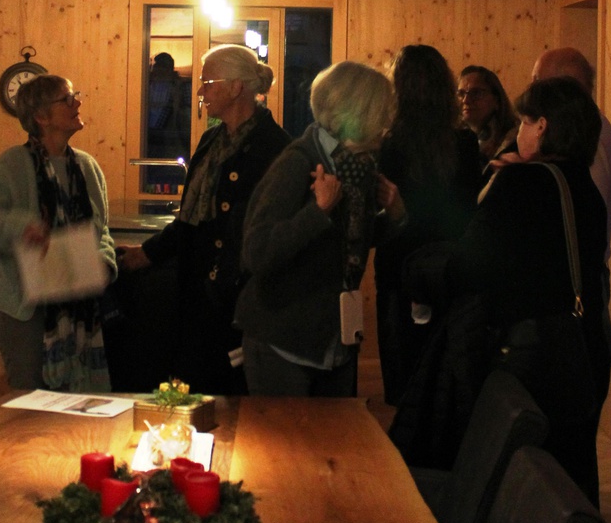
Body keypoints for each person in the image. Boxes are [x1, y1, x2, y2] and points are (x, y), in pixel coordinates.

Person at [444, 75, 608, 503]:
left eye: (524, 121)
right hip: (579, 348)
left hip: (528, 350)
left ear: (542, 126)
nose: (518, 131)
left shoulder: (520, 183)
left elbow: (468, 265)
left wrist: (496, 188)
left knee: (517, 474)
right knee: (568, 471)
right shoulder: (584, 186)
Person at [119, 45, 288, 394]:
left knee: (236, 396)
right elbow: (191, 220)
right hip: (200, 294)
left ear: (236, 87)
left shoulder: (275, 147)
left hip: (239, 300)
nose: (199, 90)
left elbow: (269, 236)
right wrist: (147, 253)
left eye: (208, 82)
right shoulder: (212, 140)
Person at [235, 60, 403, 397]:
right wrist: (319, 211)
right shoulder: (299, 162)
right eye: (381, 112)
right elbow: (257, 253)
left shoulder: (356, 166)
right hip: (284, 344)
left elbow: (348, 242)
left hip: (333, 341)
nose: (387, 125)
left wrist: (395, 216)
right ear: (356, 113)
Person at [0, 73, 116, 394]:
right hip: (24, 308)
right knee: (31, 401)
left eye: (75, 95)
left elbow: (101, 230)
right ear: (41, 117)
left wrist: (104, 261)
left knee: (81, 401)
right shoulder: (11, 164)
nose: (77, 103)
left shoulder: (88, 167)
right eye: (67, 99)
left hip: (80, 307)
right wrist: (22, 226)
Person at [374, 45, 482, 404]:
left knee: (403, 385)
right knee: (442, 387)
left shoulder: (388, 145)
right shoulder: (465, 143)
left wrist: (402, 215)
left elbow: (380, 222)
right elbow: (465, 218)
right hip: (446, 273)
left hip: (399, 272)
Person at [530, 45, 611, 380]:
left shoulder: (588, 138)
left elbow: (581, 221)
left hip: (575, 286)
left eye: (538, 82)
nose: (532, 92)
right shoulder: (581, 131)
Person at [457, 64, 516, 163]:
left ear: (496, 100)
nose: (466, 100)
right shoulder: (453, 138)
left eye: (476, 93)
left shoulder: (512, 140)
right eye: (461, 94)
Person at [145, 50, 192, 160]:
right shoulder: (145, 85)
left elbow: (189, 115)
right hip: (146, 136)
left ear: (170, 69)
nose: (159, 70)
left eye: (163, 66)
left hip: (170, 139)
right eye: (157, 66)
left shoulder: (181, 87)